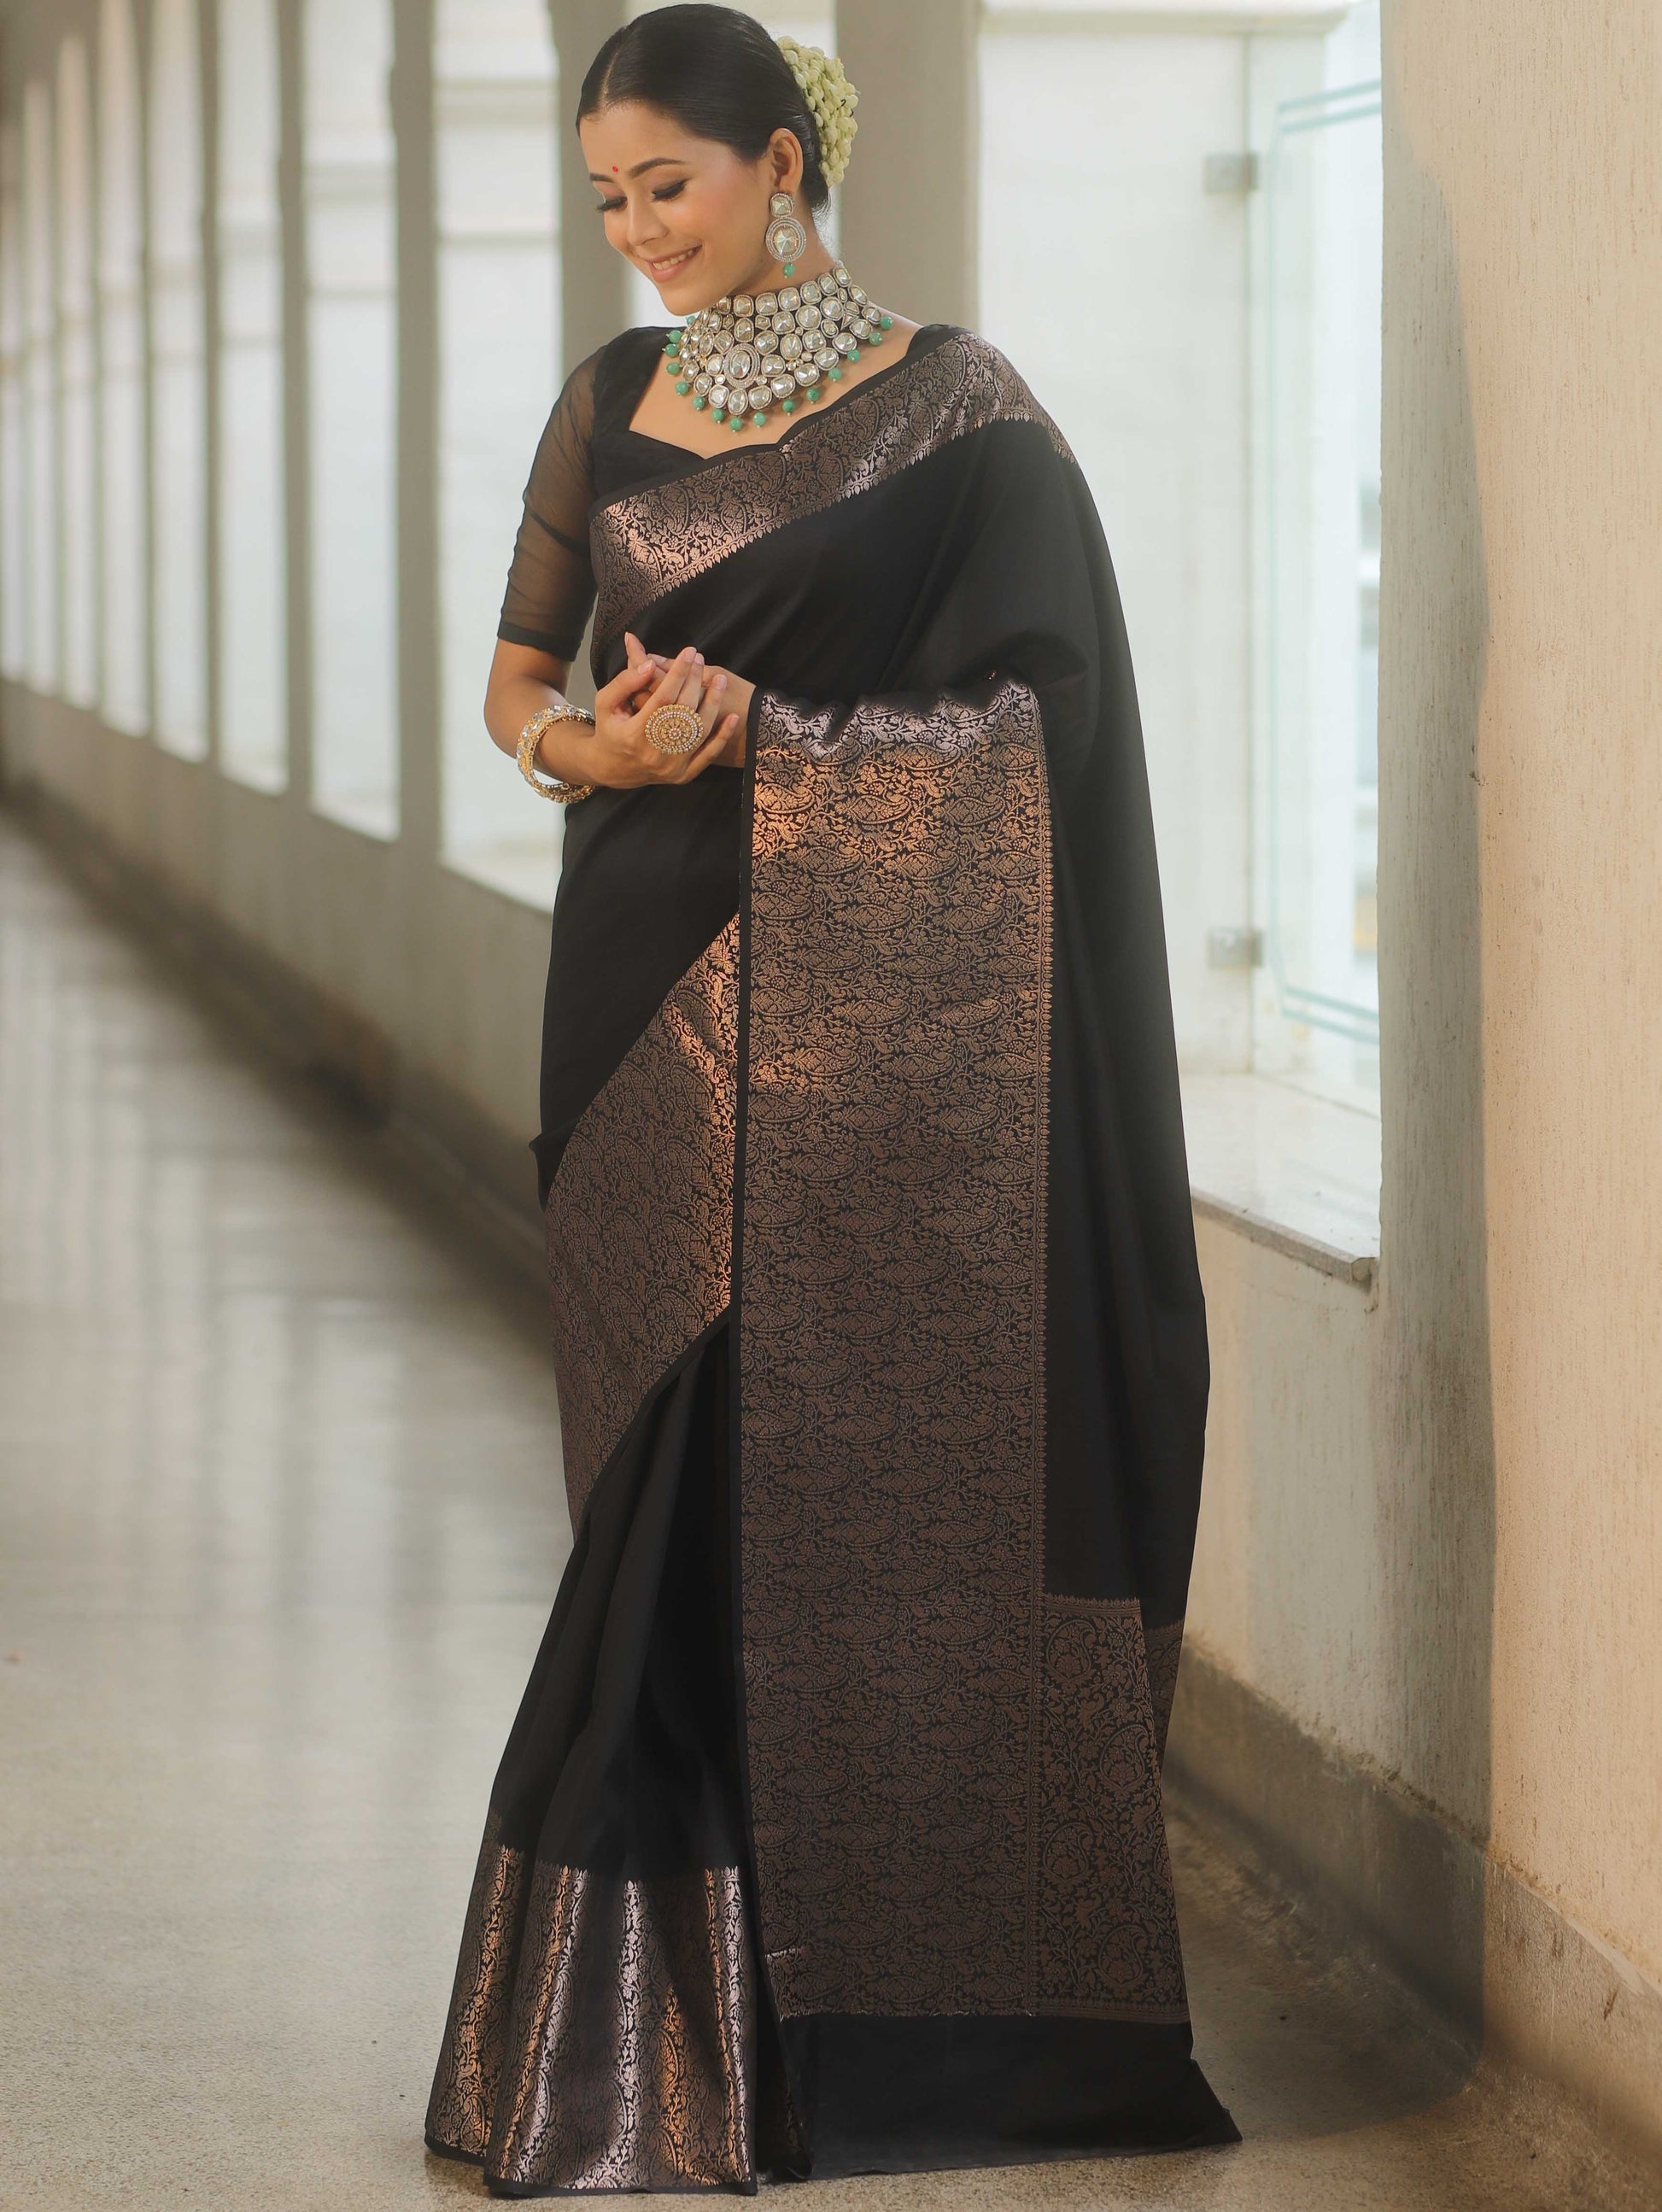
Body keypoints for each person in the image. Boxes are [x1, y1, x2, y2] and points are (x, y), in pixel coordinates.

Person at [424, 4, 1238, 2192]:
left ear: (785, 161)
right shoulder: (606, 404)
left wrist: (780, 747)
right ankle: (643, 2040)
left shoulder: (966, 415)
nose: (636, 239)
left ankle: (810, 2043)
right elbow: (520, 669)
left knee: (792, 1488)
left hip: (889, 1047)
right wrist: (590, 748)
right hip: (640, 993)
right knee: (653, 1492)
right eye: (604, 202)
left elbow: (1047, 742)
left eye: (664, 189)